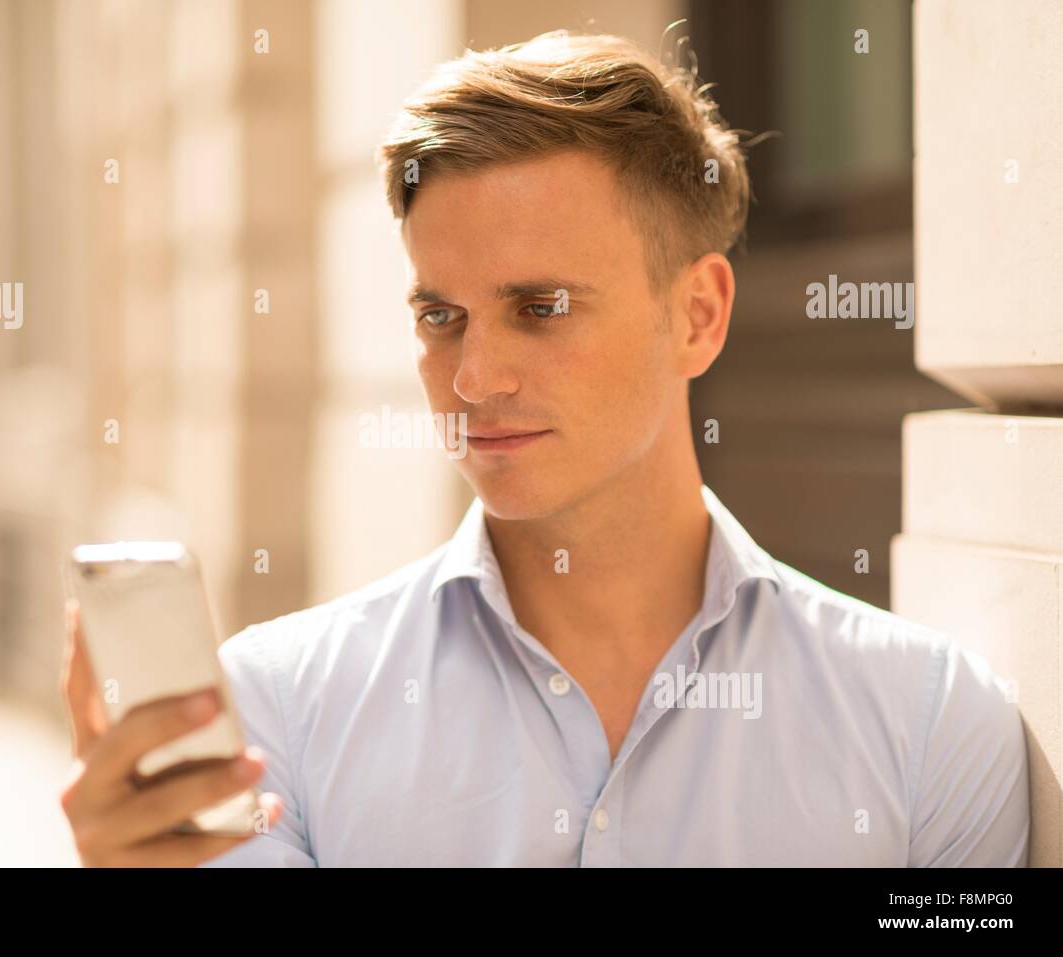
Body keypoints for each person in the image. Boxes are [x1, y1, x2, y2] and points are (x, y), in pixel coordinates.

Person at [59, 30, 1030, 867]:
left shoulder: (930, 725)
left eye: (540, 308)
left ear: (696, 315)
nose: (474, 378)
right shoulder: (277, 719)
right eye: (441, 316)